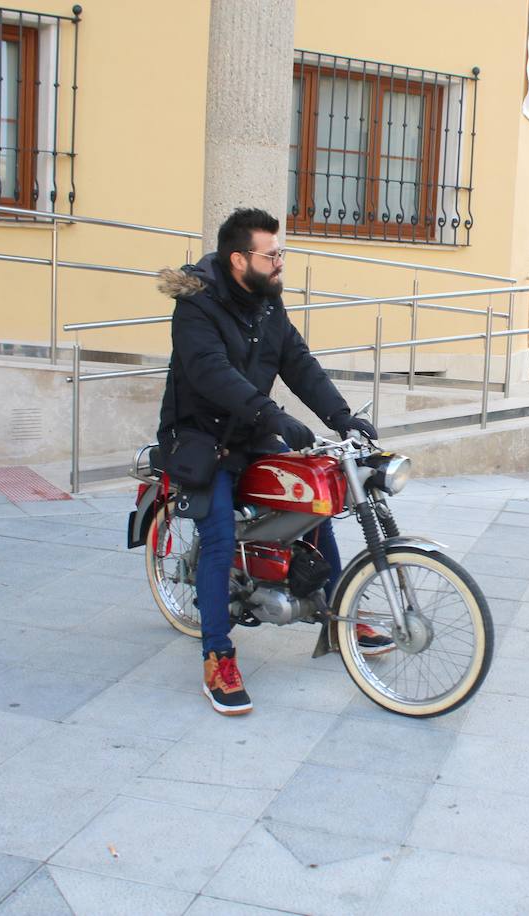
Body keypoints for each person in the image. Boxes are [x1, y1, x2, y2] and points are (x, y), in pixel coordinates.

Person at [156, 207, 386, 717]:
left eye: (280, 252)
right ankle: (217, 654)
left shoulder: (266, 303)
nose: (280, 261)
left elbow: (298, 362)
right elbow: (211, 373)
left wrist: (341, 417)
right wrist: (274, 415)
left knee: (315, 503)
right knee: (217, 536)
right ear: (239, 259)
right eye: (271, 254)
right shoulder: (196, 307)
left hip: (251, 432)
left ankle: (335, 612)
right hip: (200, 439)